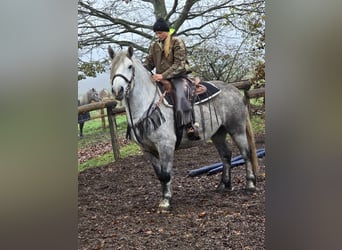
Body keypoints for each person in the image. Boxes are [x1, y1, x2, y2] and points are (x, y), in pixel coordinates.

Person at [143, 17, 200, 140]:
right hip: (161, 78)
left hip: (179, 76)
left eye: (160, 33)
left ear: (166, 31)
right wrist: (141, 70)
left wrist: (163, 75)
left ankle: (189, 124)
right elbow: (149, 62)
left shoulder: (177, 42)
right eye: (156, 33)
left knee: (180, 93)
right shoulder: (154, 46)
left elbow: (179, 65)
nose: (158, 36)